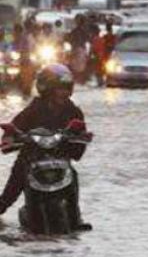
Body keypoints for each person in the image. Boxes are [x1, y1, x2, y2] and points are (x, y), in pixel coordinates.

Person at [0, 64, 88, 216]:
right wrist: (10, 138)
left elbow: (80, 139)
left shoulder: (74, 112)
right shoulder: (33, 110)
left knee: (73, 176)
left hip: (60, 160)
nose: (64, 93)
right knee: (12, 190)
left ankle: (75, 217)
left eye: (67, 88)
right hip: (30, 159)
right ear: (47, 89)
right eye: (59, 88)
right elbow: (14, 129)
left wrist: (79, 139)